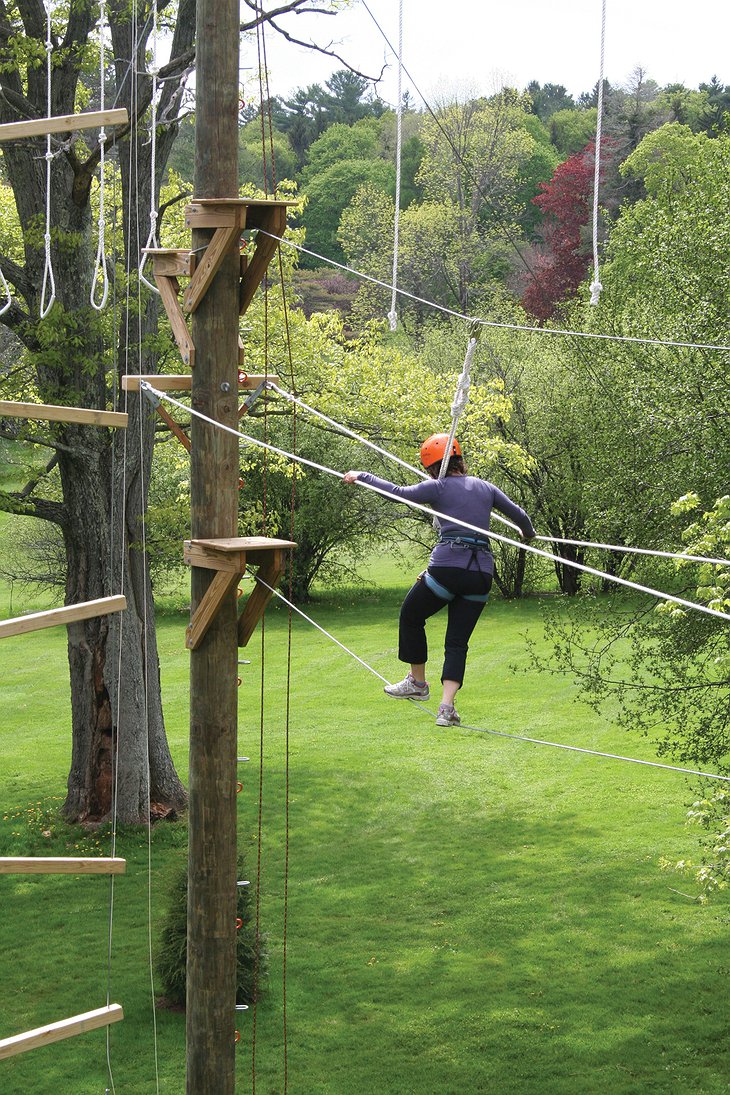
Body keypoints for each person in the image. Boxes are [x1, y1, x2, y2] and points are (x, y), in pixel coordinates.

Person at [343, 433, 535, 728]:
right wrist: (528, 533)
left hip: (448, 569)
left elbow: (398, 492)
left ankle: (417, 683)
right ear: (459, 459)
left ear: (432, 467)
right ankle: (446, 708)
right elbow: (520, 515)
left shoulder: (437, 487)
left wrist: (361, 475)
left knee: (411, 614)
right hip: (482, 573)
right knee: (457, 642)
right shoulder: (486, 487)